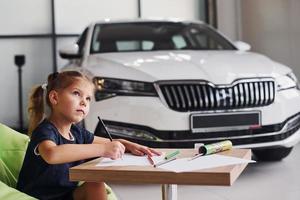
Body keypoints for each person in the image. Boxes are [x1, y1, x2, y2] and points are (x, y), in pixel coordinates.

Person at [17, 71, 161, 200]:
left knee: (95, 182)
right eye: (76, 93)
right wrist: (104, 150)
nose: (83, 102)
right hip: (38, 197)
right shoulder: (45, 130)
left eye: (88, 98)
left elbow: (107, 142)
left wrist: (130, 145)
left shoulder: (76, 132)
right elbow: (52, 154)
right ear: (54, 98)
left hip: (66, 196)